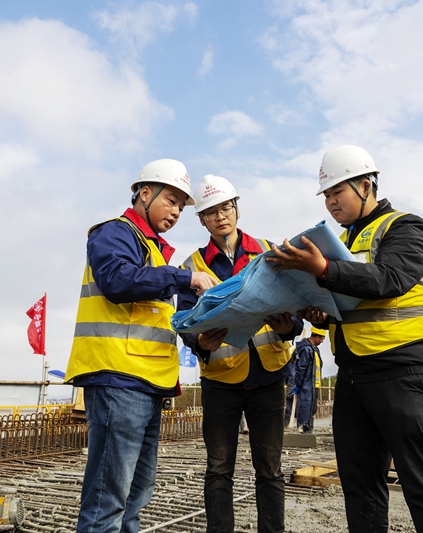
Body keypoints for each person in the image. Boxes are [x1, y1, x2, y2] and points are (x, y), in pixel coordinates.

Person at [265, 145, 423, 533]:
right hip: (355, 377)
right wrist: (320, 312)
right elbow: (351, 305)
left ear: (365, 185)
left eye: (337, 191)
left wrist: (324, 269)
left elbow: (391, 279)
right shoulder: (338, 240)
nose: (331, 201)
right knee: (360, 488)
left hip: (405, 373)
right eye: (326, 195)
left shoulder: (404, 227)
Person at [65, 159, 218, 533]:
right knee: (108, 499)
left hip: (146, 383)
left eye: (181, 206)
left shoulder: (154, 252)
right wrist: (185, 278)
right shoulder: (115, 233)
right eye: (171, 200)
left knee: (135, 494)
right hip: (118, 378)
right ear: (144, 193)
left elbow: (154, 318)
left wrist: (200, 333)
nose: (176, 211)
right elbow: (117, 281)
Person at [177, 174, 302, 533]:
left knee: (270, 470)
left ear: (237, 208)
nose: (220, 216)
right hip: (221, 380)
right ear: (201, 220)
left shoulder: (268, 251)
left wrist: (289, 327)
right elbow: (184, 322)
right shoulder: (192, 266)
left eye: (226, 208)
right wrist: (199, 343)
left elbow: (296, 305)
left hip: (268, 376)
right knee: (219, 469)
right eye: (211, 212)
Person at [291, 327, 326, 433]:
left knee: (311, 409)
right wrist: (298, 384)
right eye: (322, 339)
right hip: (307, 385)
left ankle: (308, 431)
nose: (322, 341)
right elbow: (301, 368)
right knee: (305, 408)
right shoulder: (306, 349)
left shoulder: (314, 349)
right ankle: (303, 431)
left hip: (314, 385)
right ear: (317, 336)